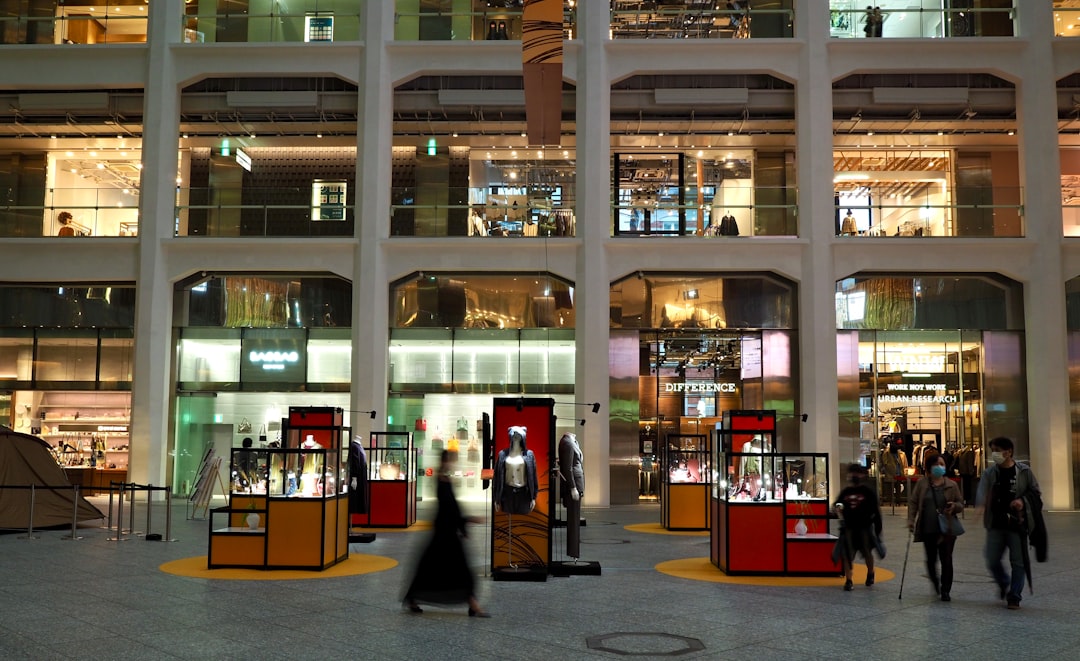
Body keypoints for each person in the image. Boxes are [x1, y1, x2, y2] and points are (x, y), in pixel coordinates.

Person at [402, 450, 490, 617]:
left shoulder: (443, 479)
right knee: (455, 569)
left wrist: (463, 523)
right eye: (451, 461)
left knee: (431, 567)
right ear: (446, 461)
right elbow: (450, 508)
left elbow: (451, 508)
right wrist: (467, 521)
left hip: (445, 531)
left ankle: (414, 598)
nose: (453, 464)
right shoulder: (442, 481)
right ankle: (472, 603)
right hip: (445, 533)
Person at [976, 436, 1041, 610]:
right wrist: (981, 504)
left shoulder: (1024, 471)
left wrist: (1022, 501)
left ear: (1009, 451)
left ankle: (1014, 596)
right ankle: (1004, 581)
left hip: (1016, 524)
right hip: (995, 524)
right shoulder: (990, 473)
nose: (995, 454)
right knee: (991, 559)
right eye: (993, 451)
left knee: (1018, 562)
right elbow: (982, 490)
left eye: (997, 450)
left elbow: (1035, 493)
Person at [907, 454, 964, 601]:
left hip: (947, 527)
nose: (941, 467)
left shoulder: (952, 485)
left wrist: (955, 506)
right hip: (928, 527)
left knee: (946, 559)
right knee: (931, 559)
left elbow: (960, 504)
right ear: (929, 467)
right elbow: (913, 502)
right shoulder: (922, 484)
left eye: (943, 464)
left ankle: (946, 590)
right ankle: (935, 581)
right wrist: (911, 520)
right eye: (937, 464)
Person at [834, 463, 883, 591]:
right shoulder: (846, 492)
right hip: (849, 528)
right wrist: (837, 508)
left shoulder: (868, 492)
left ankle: (870, 572)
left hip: (864, 528)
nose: (853, 476)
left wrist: (878, 530)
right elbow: (837, 504)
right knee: (847, 554)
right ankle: (849, 580)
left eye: (856, 473)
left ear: (862, 475)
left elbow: (876, 512)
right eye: (851, 473)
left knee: (867, 552)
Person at [493, 426, 537, 514]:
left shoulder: (529, 455)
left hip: (524, 494)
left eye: (519, 434)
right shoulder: (502, 454)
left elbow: (533, 477)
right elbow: (497, 478)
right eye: (514, 434)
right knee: (508, 518)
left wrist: (533, 497)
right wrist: (497, 499)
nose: (516, 436)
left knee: (522, 519)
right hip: (507, 493)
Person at [558, 432, 585, 559]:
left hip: (577, 484)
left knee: (575, 520)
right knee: (573, 520)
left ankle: (574, 552)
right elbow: (567, 468)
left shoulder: (572, 442)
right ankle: (574, 553)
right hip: (573, 485)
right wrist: (573, 487)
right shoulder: (568, 443)